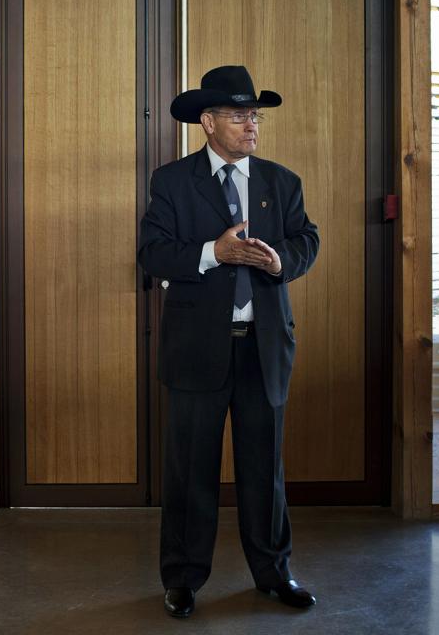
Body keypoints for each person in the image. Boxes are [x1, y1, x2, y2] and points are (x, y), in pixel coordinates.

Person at [137, 64, 321, 619]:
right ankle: (183, 579)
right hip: (197, 348)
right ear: (208, 122)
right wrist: (213, 253)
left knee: (264, 469)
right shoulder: (172, 182)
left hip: (264, 348)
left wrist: (280, 260)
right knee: (190, 469)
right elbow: (152, 255)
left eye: (255, 115)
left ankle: (273, 572)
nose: (252, 125)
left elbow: (306, 240)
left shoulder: (281, 182)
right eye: (240, 115)